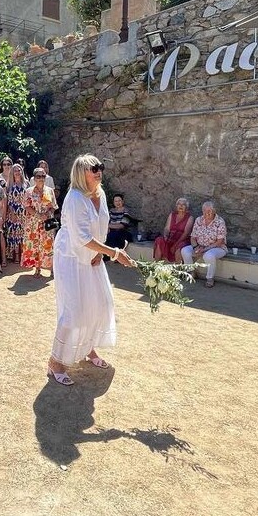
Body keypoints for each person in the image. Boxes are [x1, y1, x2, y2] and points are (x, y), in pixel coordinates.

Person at [48, 154, 135, 386]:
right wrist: (114, 253)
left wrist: (100, 252)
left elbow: (101, 227)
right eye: (93, 168)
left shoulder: (101, 193)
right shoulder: (75, 198)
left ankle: (88, 349)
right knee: (73, 311)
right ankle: (56, 361)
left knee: (99, 304)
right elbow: (81, 237)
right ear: (81, 173)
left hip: (92, 255)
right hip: (71, 258)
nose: (98, 171)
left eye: (100, 167)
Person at [180, 201, 227, 288]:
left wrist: (204, 249)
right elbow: (193, 237)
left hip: (218, 248)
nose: (207, 213)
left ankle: (210, 278)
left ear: (214, 211)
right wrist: (195, 247)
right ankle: (191, 272)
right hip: (200, 246)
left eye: (209, 211)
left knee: (208, 255)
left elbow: (219, 241)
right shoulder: (199, 220)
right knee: (185, 250)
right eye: (205, 211)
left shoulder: (220, 222)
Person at [21, 167, 57, 277]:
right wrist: (38, 215)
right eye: (38, 176)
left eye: (43, 176)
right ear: (34, 178)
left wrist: (47, 214)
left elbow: (54, 206)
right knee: (35, 244)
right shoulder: (29, 191)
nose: (41, 178)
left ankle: (51, 269)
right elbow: (27, 206)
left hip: (48, 221)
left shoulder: (50, 190)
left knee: (49, 244)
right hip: (33, 223)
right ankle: (37, 269)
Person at [153, 197, 194, 263]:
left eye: (183, 204)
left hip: (182, 239)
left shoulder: (190, 218)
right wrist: (165, 236)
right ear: (176, 206)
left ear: (186, 207)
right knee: (159, 240)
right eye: (179, 204)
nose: (180, 206)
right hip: (171, 237)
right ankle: (156, 265)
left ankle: (177, 269)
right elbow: (167, 228)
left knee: (179, 246)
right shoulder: (172, 215)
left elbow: (186, 233)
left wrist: (175, 245)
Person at [4, 163, 28, 263]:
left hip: (24, 213)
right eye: (15, 170)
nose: (17, 172)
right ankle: (16, 256)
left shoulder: (26, 184)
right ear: (12, 173)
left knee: (22, 235)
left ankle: (24, 256)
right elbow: (9, 201)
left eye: (19, 170)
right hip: (13, 213)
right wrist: (13, 214)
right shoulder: (9, 185)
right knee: (14, 235)